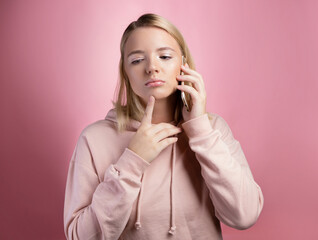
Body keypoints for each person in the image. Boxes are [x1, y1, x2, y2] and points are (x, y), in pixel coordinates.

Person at [63, 13, 264, 240]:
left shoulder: (213, 129)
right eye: (137, 60)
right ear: (125, 73)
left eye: (165, 56)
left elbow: (245, 216)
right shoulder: (95, 139)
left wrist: (200, 132)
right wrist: (132, 160)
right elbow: (79, 237)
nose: (152, 67)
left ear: (183, 64)